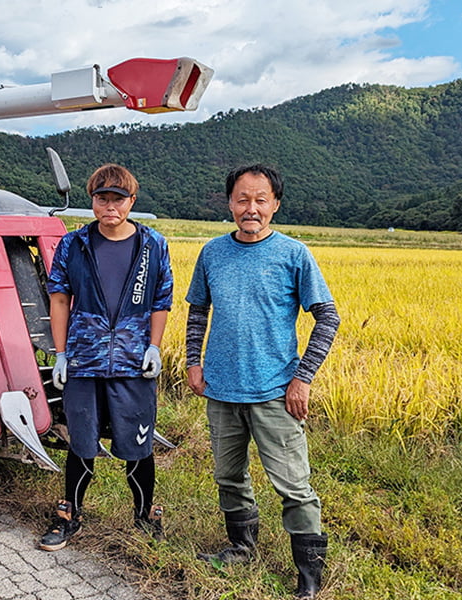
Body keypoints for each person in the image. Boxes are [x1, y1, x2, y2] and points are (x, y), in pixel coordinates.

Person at [185, 164, 340, 599]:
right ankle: (240, 546)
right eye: (242, 199)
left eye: (260, 200)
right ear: (230, 203)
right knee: (228, 476)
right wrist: (193, 362)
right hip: (221, 389)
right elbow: (198, 310)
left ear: (274, 204)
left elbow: (327, 317)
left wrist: (302, 379)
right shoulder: (213, 253)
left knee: (293, 485)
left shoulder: (293, 254)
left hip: (275, 392)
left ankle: (308, 576)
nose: (250, 208)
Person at [38, 163, 173, 552]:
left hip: (134, 359)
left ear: (132, 201)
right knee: (81, 442)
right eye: (102, 197)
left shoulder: (153, 245)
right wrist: (61, 354)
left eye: (118, 198)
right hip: (84, 357)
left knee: (138, 444)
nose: (109, 205)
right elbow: (60, 299)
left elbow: (161, 301)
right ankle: (69, 515)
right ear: (92, 200)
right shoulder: (74, 244)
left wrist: (154, 346)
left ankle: (145, 515)